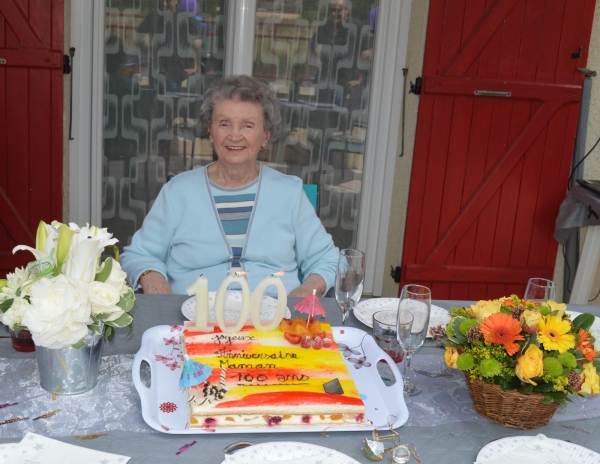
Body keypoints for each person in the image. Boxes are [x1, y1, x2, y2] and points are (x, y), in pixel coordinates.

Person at [120, 75, 339, 297]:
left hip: (274, 319)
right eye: (224, 124)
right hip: (192, 317)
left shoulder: (289, 192)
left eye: (247, 126)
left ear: (265, 136)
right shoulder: (178, 192)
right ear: (210, 132)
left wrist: (305, 291)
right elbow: (138, 255)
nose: (235, 136)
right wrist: (153, 278)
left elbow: (327, 259)